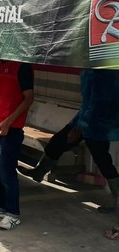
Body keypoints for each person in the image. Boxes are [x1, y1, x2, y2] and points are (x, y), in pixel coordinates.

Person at [18, 69, 119, 214]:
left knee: (102, 160)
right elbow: (88, 103)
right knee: (57, 143)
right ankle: (39, 172)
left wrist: (78, 128)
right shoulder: (90, 70)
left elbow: (97, 103)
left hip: (98, 122)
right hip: (85, 118)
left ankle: (117, 199)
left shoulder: (102, 73)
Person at [0, 60, 34, 230]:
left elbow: (29, 98)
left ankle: (12, 214)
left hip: (11, 129)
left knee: (7, 173)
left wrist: (8, 122)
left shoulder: (23, 66)